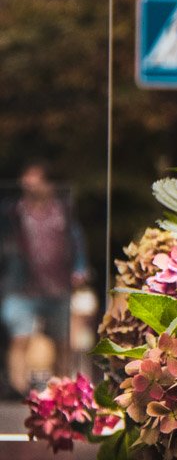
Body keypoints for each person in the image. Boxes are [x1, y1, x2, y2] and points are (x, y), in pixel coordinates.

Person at [0, 161, 89, 393]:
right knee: (19, 338)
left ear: (49, 184)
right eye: (27, 178)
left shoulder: (63, 211)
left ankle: (63, 392)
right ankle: (18, 390)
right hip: (22, 287)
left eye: (36, 178)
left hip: (57, 287)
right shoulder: (12, 212)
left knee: (62, 342)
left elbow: (76, 240)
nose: (29, 183)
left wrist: (79, 267)